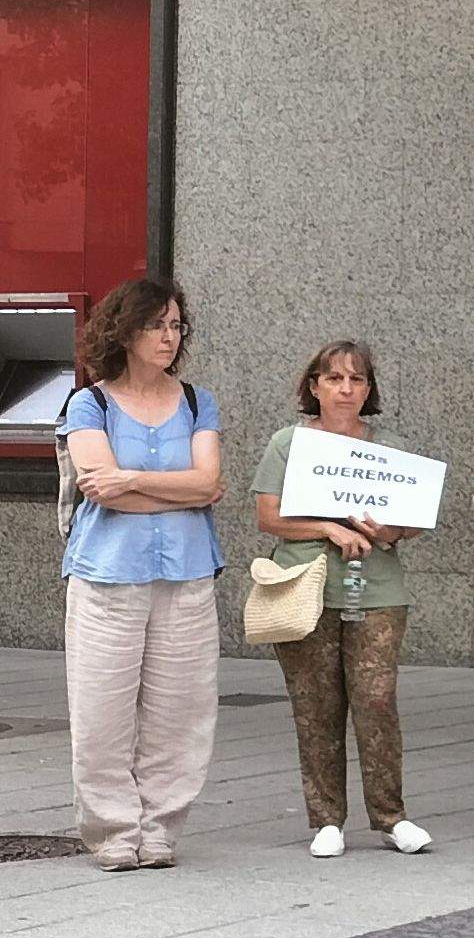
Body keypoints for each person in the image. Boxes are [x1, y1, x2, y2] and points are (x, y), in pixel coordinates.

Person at [56, 278, 223, 872]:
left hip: (187, 576)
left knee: (181, 711)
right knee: (102, 709)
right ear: (125, 332)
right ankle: (112, 831)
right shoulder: (89, 404)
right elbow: (104, 490)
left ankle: (160, 830)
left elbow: (211, 484)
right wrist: (159, 491)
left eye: (176, 325)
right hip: (107, 578)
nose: (169, 336)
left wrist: (130, 480)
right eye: (157, 325)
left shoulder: (200, 402)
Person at [251, 341, 431, 857]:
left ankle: (391, 816)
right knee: (315, 704)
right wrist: (328, 528)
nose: (345, 389)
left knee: (376, 701)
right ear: (314, 387)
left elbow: (413, 520)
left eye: (356, 380)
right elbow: (268, 516)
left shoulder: (389, 445)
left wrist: (390, 530)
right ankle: (326, 818)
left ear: (369, 389)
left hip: (378, 589)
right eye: (334, 379)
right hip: (305, 586)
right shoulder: (289, 443)